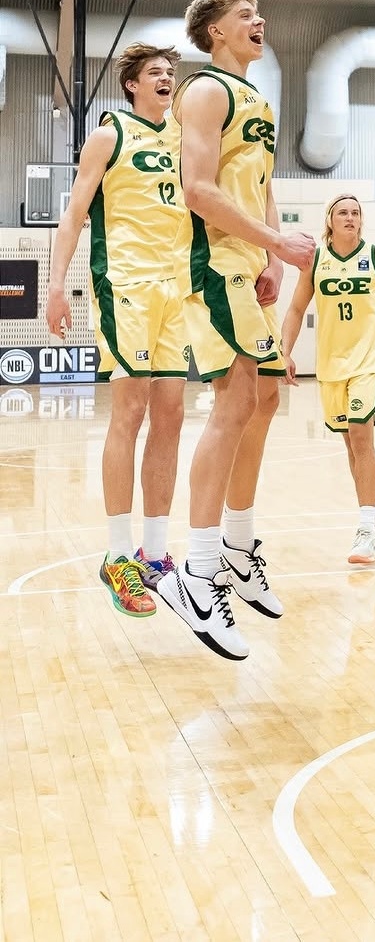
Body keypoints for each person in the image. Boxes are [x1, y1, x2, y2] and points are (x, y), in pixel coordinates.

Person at [154, 0, 315, 660]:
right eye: (245, 15)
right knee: (235, 401)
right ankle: (196, 572)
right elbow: (198, 189)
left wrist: (270, 250)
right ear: (215, 32)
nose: (259, 21)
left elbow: (262, 187)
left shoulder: (256, 99)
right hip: (211, 263)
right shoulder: (206, 91)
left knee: (265, 397)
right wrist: (275, 243)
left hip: (245, 264)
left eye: (258, 13)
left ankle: (239, 550)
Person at [45, 43, 188, 617]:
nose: (166, 79)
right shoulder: (109, 135)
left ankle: (154, 553)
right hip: (124, 282)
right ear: (131, 84)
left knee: (172, 415)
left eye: (170, 73)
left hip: (176, 287)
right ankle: (117, 554)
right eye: (155, 73)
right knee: (130, 411)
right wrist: (56, 285)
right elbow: (75, 213)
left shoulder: (183, 136)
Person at [281, 195, 375, 565]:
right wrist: (285, 351)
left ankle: (365, 530)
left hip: (367, 362)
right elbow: (295, 309)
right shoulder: (315, 261)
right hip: (331, 367)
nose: (350, 217)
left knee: (361, 435)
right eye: (342, 212)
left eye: (356, 212)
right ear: (329, 220)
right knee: (351, 446)